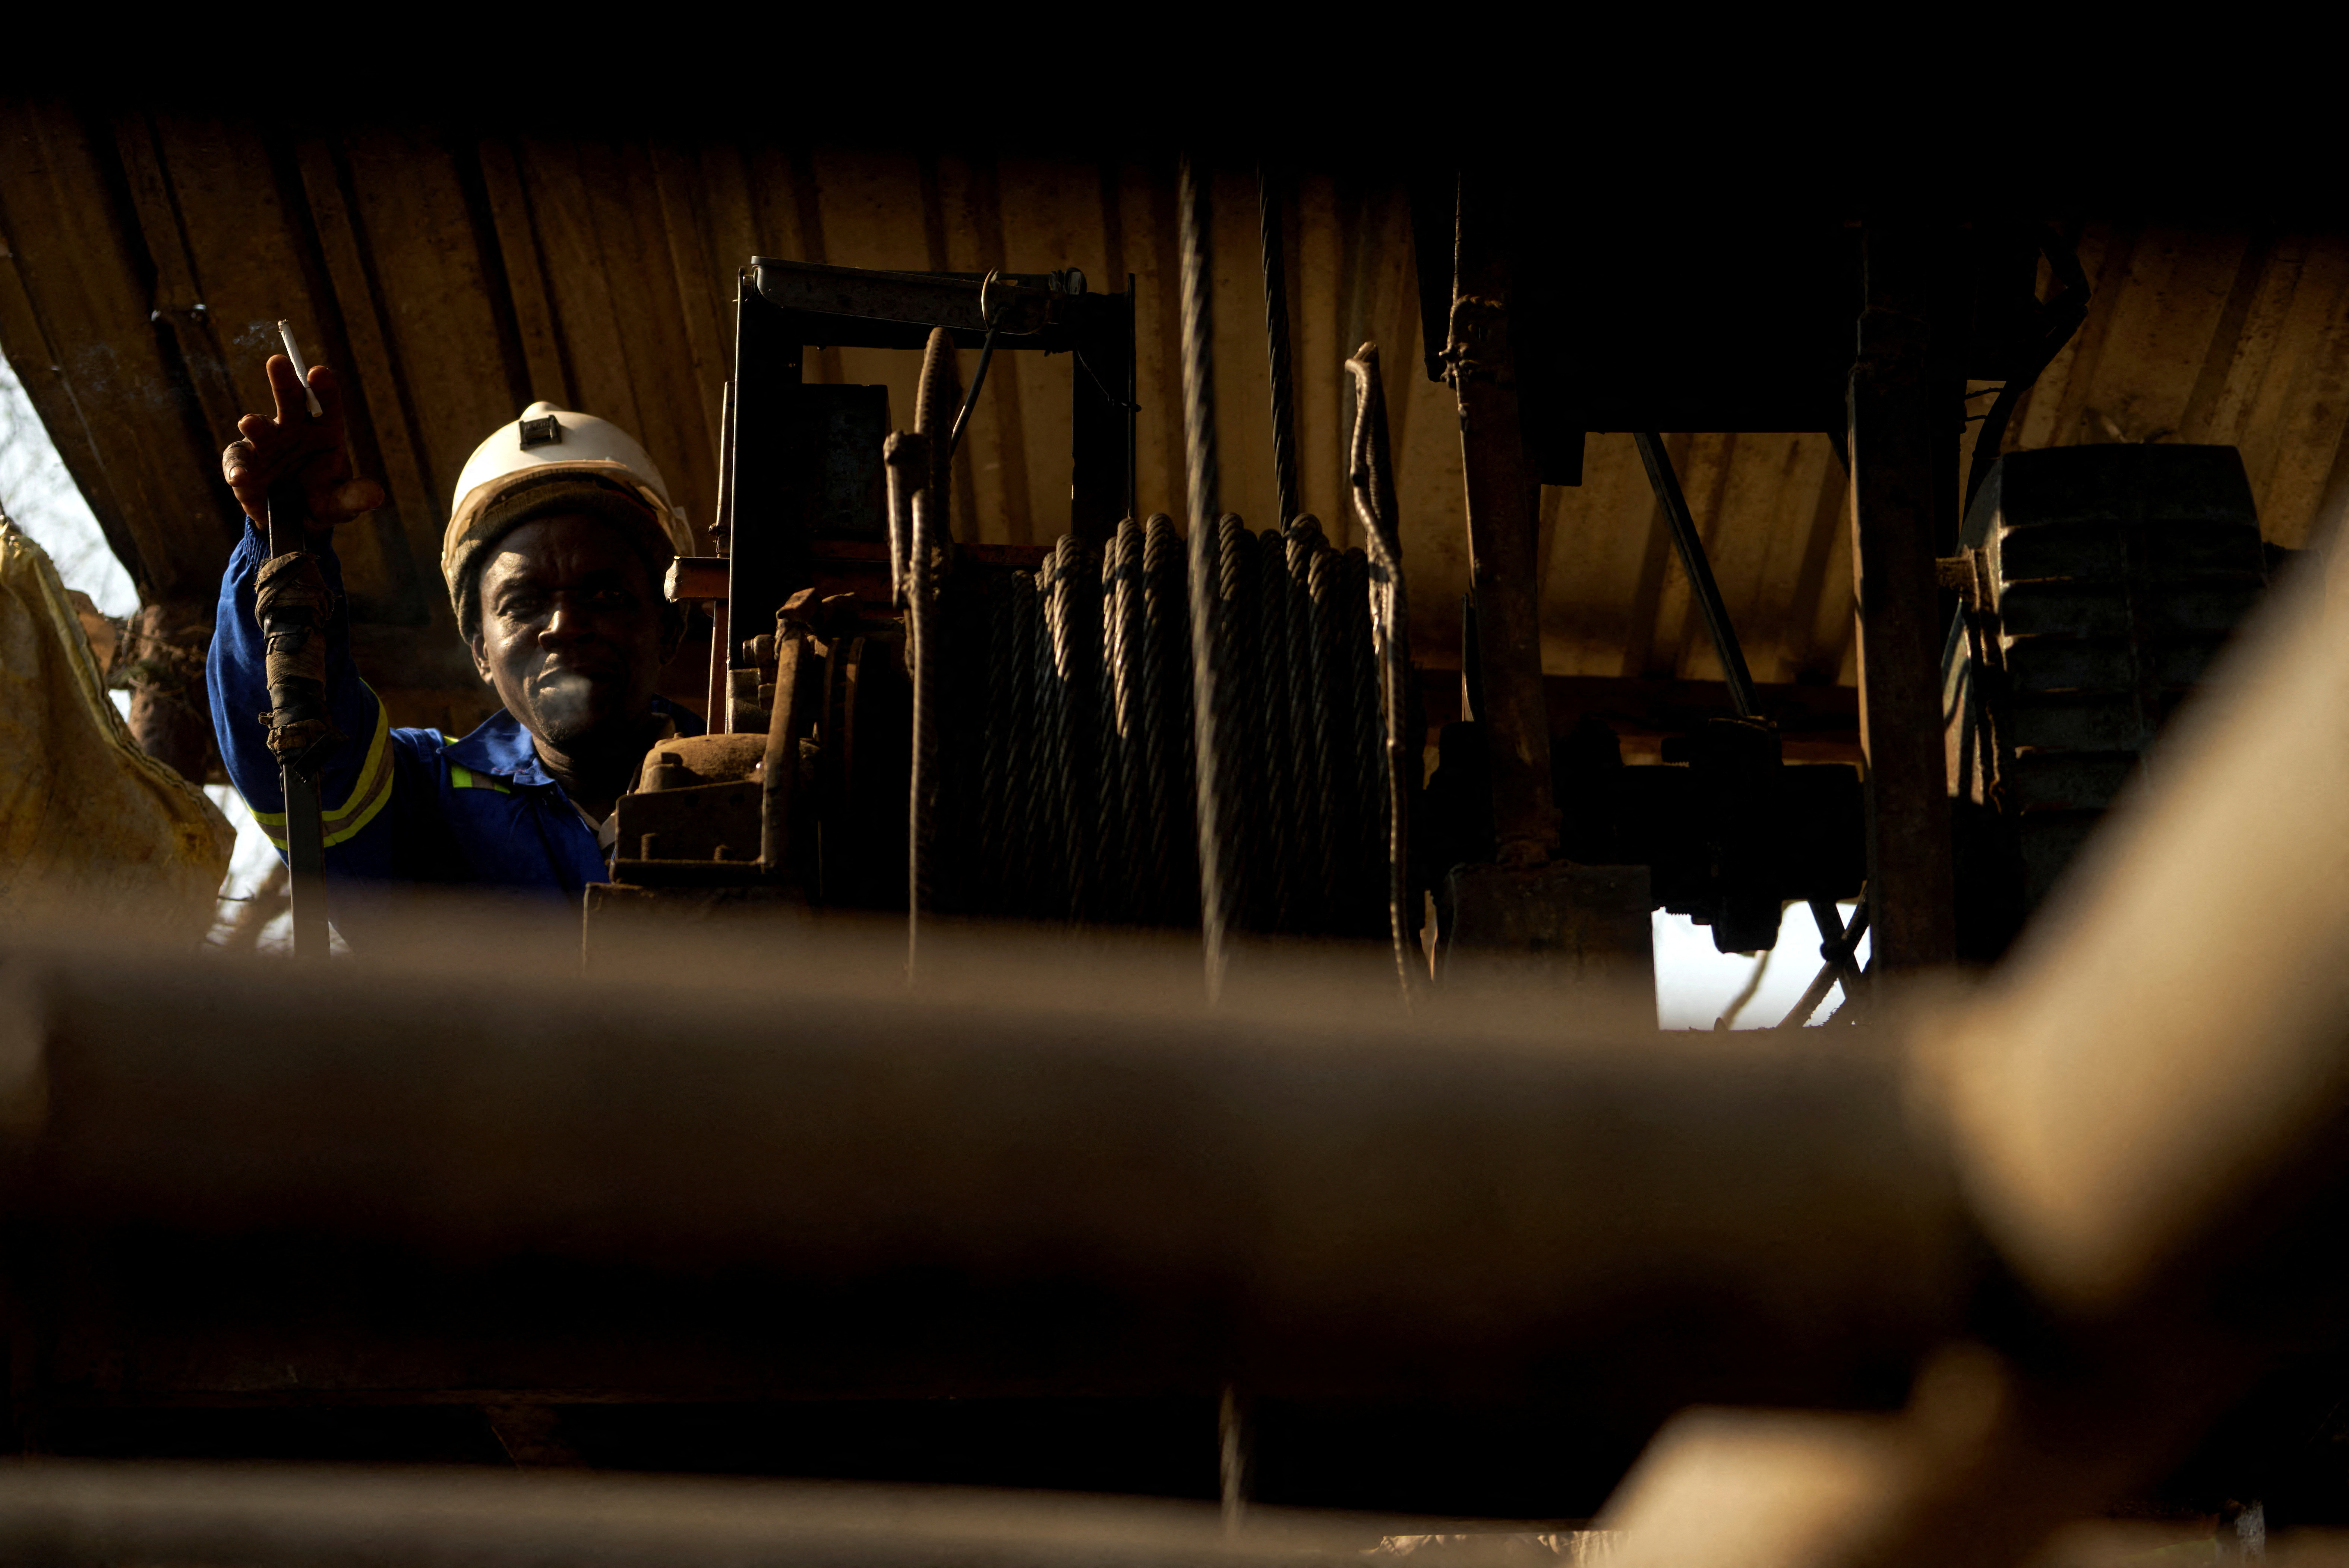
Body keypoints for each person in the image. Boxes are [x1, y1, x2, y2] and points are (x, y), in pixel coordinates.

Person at [206, 354, 701, 937]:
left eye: (605, 593)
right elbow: (287, 748)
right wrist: (283, 543)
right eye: (521, 604)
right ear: (481, 653)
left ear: (669, 626)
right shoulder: (419, 799)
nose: (565, 624)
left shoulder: (761, 777)